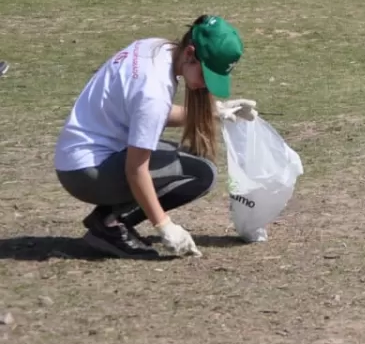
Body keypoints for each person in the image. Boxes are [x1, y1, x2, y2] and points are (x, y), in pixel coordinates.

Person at [54, 15, 244, 258]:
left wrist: (216, 111)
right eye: (206, 75)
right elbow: (136, 170)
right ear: (189, 53)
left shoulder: (157, 48)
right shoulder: (154, 90)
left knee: (193, 162)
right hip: (87, 172)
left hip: (78, 158)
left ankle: (108, 220)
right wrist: (163, 225)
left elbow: (147, 114)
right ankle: (109, 226)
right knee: (200, 173)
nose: (207, 85)